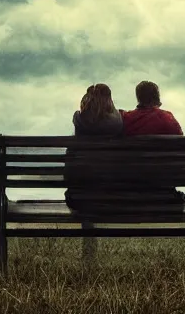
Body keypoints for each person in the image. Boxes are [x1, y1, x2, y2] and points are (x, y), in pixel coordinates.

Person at [65, 83, 123, 258]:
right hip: (114, 197)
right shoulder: (118, 124)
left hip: (80, 199)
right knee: (96, 186)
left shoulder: (80, 122)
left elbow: (69, 173)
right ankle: (90, 254)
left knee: (86, 188)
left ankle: (89, 255)